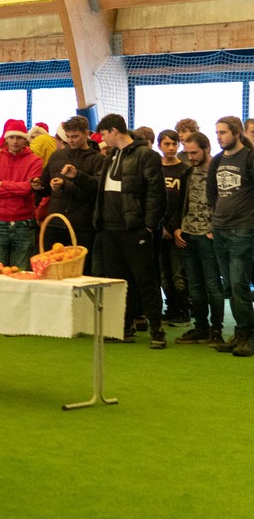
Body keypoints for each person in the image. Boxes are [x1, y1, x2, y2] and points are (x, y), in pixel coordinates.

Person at [91, 113, 167, 347]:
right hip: (109, 229)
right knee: (117, 281)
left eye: (104, 134)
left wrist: (149, 226)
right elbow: (101, 189)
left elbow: (156, 193)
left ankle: (157, 330)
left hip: (135, 229)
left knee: (146, 280)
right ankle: (123, 327)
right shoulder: (111, 155)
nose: (103, 139)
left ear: (115, 131)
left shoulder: (146, 155)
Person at [173, 132, 225, 346]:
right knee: (194, 286)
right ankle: (201, 328)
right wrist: (178, 227)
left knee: (213, 285)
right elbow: (181, 203)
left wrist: (215, 230)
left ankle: (216, 330)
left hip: (209, 236)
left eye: (194, 153)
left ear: (207, 149)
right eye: (187, 153)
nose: (190, 157)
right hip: (188, 234)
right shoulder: (187, 173)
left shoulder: (220, 172)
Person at [208, 116, 254, 357]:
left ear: (237, 133)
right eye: (217, 132)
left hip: (243, 230)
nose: (219, 137)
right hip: (220, 229)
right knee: (229, 286)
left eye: (223, 132)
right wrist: (217, 220)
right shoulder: (217, 161)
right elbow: (212, 193)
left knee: (239, 284)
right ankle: (240, 333)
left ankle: (248, 335)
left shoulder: (249, 157)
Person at [36, 116, 106, 257]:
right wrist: (37, 186)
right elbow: (45, 187)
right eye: (67, 136)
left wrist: (74, 177)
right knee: (51, 265)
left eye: (74, 136)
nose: (70, 140)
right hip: (55, 222)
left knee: (82, 267)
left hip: (82, 225)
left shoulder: (97, 159)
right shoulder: (56, 156)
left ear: (86, 134)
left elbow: (97, 188)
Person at [0, 119, 42, 270]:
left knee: (20, 273)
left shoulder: (35, 160)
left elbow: (28, 189)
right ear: (6, 139)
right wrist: (18, 189)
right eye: (11, 137)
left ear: (25, 139)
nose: (15, 141)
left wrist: (2, 184)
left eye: (19, 137)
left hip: (24, 223)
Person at [157, 129, 192, 326]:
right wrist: (160, 226)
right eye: (167, 144)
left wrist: (177, 227)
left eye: (174, 144)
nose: (171, 148)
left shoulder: (185, 170)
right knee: (164, 275)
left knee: (179, 274)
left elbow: (186, 203)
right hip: (159, 229)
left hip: (178, 230)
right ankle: (171, 309)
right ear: (159, 146)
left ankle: (184, 311)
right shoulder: (156, 169)